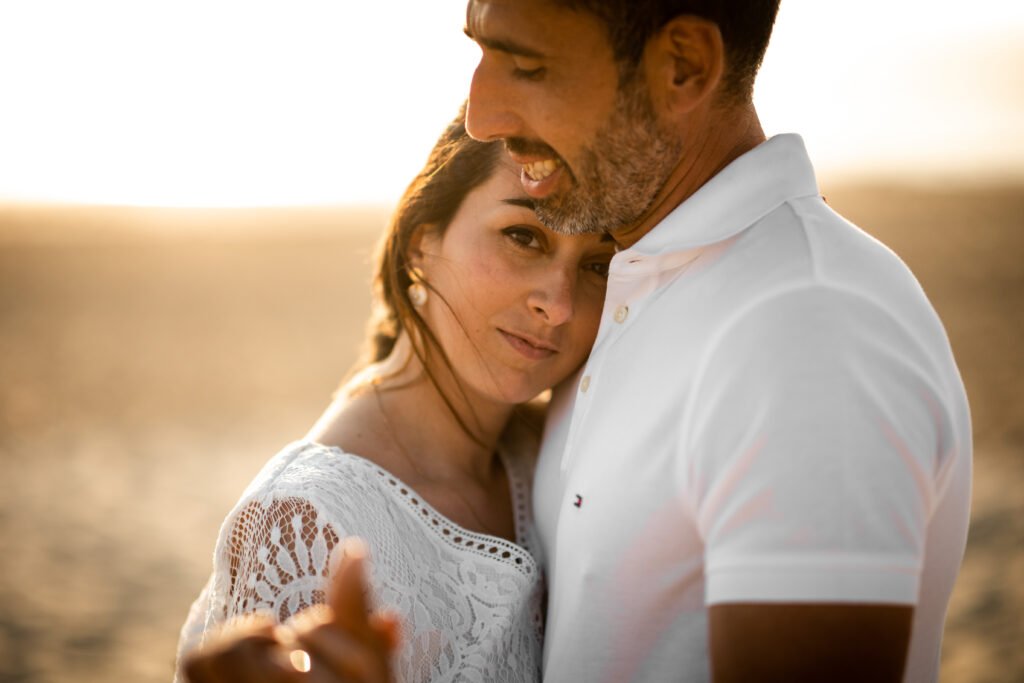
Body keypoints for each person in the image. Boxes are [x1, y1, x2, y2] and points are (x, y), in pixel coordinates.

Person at [183, 1, 973, 681]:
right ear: (420, 242)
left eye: (524, 65)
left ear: (684, 66)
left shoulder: (806, 325)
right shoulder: (637, 294)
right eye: (478, 52)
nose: (480, 113)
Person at [174, 110, 617, 683]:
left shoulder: (554, 458)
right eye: (523, 236)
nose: (557, 304)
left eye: (597, 265)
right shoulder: (305, 519)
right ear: (419, 244)